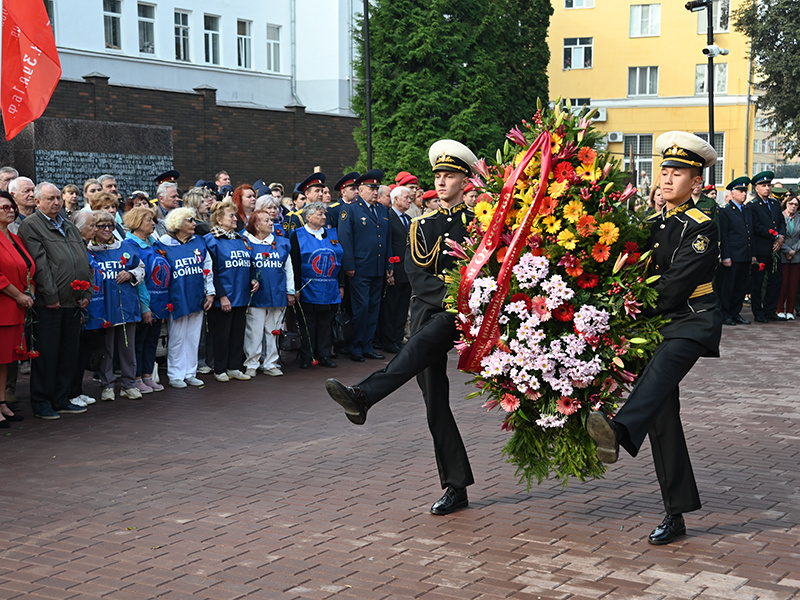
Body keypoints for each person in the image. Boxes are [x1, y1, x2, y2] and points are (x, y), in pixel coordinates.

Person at [326, 139, 479, 516]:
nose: (441, 182)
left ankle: (364, 396)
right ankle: (455, 486)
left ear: (465, 180)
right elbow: (417, 276)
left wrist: (462, 301)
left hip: (466, 315)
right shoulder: (421, 226)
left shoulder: (480, 222)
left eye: (449, 176)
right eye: (438, 176)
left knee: (418, 351)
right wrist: (450, 295)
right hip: (433, 310)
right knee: (435, 404)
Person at [586, 131, 722, 545]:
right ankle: (675, 513)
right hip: (654, 325)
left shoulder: (703, 226)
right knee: (663, 418)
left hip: (692, 321)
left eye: (677, 173)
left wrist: (627, 310)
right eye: (663, 170)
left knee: (660, 374)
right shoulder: (651, 223)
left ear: (695, 182)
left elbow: (674, 287)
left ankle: (621, 430)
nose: (666, 178)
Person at [19, 182, 92, 420]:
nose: (56, 203)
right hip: (50, 303)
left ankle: (61, 399)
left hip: (73, 300)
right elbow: (39, 264)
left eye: (58, 198)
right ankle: (41, 402)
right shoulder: (32, 226)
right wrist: (50, 296)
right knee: (47, 354)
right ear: (37, 202)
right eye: (50, 199)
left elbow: (83, 259)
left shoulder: (68, 225)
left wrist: (87, 293)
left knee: (68, 353)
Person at [155, 207, 214, 388]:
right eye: (190, 220)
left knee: (193, 336)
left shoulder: (199, 242)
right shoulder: (163, 244)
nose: (194, 223)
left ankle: (190, 372)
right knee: (178, 336)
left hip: (196, 295)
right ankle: (175, 374)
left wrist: (210, 292)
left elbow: (208, 268)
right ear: (178, 223)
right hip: (177, 298)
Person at [88, 211, 145, 401]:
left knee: (127, 347)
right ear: (93, 228)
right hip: (104, 307)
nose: (106, 230)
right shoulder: (89, 251)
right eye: (101, 226)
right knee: (106, 349)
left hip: (126, 305)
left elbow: (140, 268)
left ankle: (129, 384)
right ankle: (107, 385)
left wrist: (130, 275)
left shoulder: (126, 247)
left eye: (110, 226)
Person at [337, 169, 393, 362]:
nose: (375, 192)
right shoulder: (350, 210)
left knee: (373, 309)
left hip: (377, 267)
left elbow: (387, 239)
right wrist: (349, 265)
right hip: (360, 268)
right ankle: (355, 346)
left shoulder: (382, 210)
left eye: (377, 188)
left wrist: (389, 265)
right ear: (360, 190)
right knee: (361, 308)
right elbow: (345, 239)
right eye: (371, 188)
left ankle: (367, 345)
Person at [204, 201, 258, 382]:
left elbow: (250, 262)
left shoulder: (240, 239)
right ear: (219, 219)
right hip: (224, 297)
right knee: (221, 334)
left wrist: (253, 278)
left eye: (235, 215)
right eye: (231, 216)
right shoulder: (210, 240)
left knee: (237, 333)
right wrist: (222, 296)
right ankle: (219, 369)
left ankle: (234, 366)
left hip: (241, 295)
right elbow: (213, 271)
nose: (236, 219)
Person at [290, 202, 343, 368]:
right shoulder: (296, 235)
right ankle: (308, 356)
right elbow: (295, 264)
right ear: (308, 217)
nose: (324, 217)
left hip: (330, 288)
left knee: (326, 323)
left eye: (324, 214)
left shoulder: (333, 234)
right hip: (308, 288)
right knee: (308, 324)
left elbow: (340, 260)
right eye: (320, 214)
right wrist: (296, 288)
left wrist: (341, 284)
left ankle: (325, 354)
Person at [243, 210, 295, 377]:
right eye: (266, 221)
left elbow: (289, 269)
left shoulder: (282, 243)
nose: (271, 223)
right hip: (257, 296)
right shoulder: (245, 243)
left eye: (271, 220)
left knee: (273, 331)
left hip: (277, 293)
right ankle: (252, 363)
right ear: (256, 225)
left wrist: (290, 291)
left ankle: (271, 362)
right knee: (254, 331)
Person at [124, 206, 169, 393]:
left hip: (158, 301)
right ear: (137, 223)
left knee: (151, 340)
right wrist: (144, 306)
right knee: (139, 341)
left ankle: (147, 375)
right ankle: (136, 377)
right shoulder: (130, 245)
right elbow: (138, 279)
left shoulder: (153, 243)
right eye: (149, 220)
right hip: (143, 302)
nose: (153, 223)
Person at [0, 190, 33, 427]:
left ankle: (1, 402)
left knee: (6, 361)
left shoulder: (14, 237)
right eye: (4, 207)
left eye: (11, 207)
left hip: (16, 307)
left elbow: (27, 266)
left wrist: (29, 289)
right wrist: (19, 295)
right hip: (4, 305)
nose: (10, 210)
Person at [68, 210, 102, 407]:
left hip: (91, 307)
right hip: (77, 308)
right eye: (92, 226)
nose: (96, 229)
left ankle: (77, 389)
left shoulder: (88, 247)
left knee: (84, 352)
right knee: (75, 352)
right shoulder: (75, 247)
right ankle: (71, 392)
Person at [378, 185, 413, 353]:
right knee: (391, 307)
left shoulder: (408, 219)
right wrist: (389, 267)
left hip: (407, 270)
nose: (409, 200)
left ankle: (398, 338)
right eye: (406, 197)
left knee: (402, 307)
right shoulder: (388, 217)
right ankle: (389, 340)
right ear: (395, 199)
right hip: (394, 269)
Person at [749, 171, 786, 322]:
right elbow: (756, 226)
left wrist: (781, 237)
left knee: (776, 280)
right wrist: (775, 235)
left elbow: (781, 222)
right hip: (761, 249)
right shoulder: (753, 206)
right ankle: (758, 313)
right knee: (757, 283)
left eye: (769, 185)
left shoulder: (775, 203)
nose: (767, 188)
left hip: (775, 249)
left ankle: (770, 311)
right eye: (763, 186)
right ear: (756, 188)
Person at [718, 176, 755, 326]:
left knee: (741, 287)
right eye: (740, 191)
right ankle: (726, 314)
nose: (744, 194)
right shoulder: (726, 211)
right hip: (733, 255)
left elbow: (750, 233)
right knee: (729, 287)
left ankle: (736, 312)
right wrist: (726, 256)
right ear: (732, 193)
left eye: (745, 191)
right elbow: (725, 235)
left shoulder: (747, 210)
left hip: (745, 254)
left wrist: (752, 254)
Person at [777, 195, 800, 319]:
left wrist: (794, 250)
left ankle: (790, 310)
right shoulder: (780, 217)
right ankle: (780, 309)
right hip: (783, 253)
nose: (793, 206)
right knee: (783, 283)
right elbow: (778, 235)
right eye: (791, 203)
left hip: (796, 255)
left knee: (793, 284)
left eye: (796, 204)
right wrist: (787, 250)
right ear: (786, 204)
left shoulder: (799, 218)